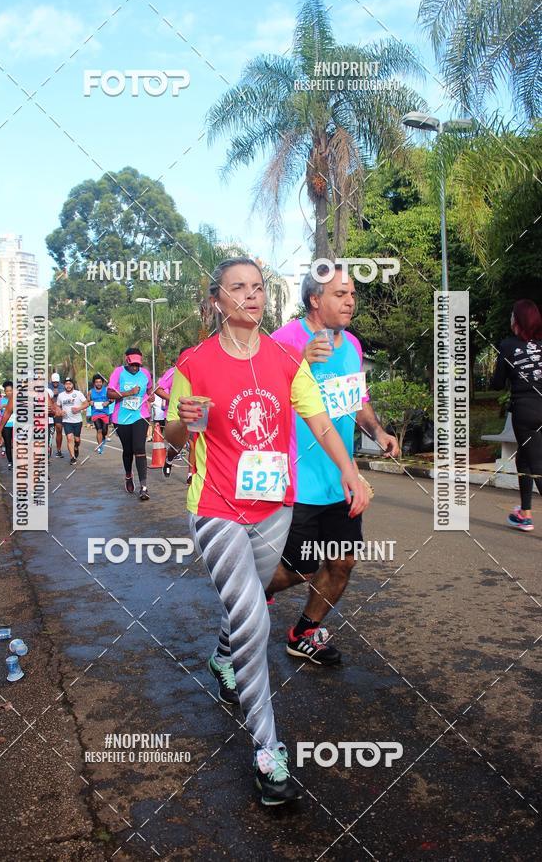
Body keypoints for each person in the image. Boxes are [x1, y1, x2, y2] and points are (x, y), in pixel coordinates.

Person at [165, 257, 369, 806]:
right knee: (254, 620)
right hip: (217, 508)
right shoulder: (195, 361)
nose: (251, 297)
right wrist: (187, 419)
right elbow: (174, 436)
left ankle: (222, 653)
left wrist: (350, 470)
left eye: (257, 288)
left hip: (274, 509)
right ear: (217, 300)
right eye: (238, 288)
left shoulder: (285, 357)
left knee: (250, 605)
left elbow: (318, 418)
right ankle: (267, 749)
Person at [268, 263, 399, 664]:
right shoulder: (283, 340)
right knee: (301, 566)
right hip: (297, 479)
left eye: (353, 294)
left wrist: (378, 433)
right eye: (340, 294)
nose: (350, 301)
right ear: (314, 300)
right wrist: (297, 362)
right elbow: (259, 393)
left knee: (342, 560)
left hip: (340, 480)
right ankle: (251, 587)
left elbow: (355, 400)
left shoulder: (353, 346)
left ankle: (304, 632)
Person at [491, 299, 542, 531]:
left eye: (512, 315)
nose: (510, 318)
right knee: (525, 458)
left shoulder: (508, 345)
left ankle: (525, 513)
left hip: (527, 413)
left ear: (518, 320)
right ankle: (525, 513)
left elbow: (497, 383)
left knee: (537, 464)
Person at [107, 348, 153, 500]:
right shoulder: (118, 372)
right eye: (133, 364)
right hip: (121, 418)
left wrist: (150, 396)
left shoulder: (145, 373)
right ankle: (128, 475)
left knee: (139, 448)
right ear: (127, 360)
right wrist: (129, 393)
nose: (135, 367)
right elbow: (110, 394)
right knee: (128, 450)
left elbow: (149, 389)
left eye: (138, 365)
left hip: (140, 415)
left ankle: (144, 487)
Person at [156, 351, 193, 480]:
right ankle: (169, 458)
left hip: (193, 413)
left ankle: (190, 474)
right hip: (174, 415)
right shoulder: (173, 372)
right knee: (177, 446)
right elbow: (158, 389)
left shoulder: (199, 370)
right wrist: (174, 399)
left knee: (193, 444)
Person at [56, 377, 88, 464]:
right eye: (66, 384)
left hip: (77, 421)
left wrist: (78, 408)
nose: (68, 386)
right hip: (66, 421)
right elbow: (57, 406)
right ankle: (72, 457)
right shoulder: (61, 395)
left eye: (70, 384)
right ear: (64, 385)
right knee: (69, 438)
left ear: (72, 385)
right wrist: (60, 411)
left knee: (77, 440)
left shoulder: (78, 393)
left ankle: (76, 447)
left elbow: (86, 404)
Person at [88, 373, 111, 453]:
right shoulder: (91, 392)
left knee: (104, 430)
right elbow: (87, 401)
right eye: (96, 382)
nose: (98, 383)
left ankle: (103, 438)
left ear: (102, 382)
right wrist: (90, 402)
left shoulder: (107, 390)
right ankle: (100, 446)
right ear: (94, 383)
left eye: (100, 382)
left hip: (105, 413)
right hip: (95, 413)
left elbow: (112, 399)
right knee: (99, 430)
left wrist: (108, 402)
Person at [0, 381, 15, 469]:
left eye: (11, 390)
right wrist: (2, 406)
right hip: (6, 426)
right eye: (7, 391)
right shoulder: (1, 400)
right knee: (7, 444)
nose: (9, 392)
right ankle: (10, 462)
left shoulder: (17, 399)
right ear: (4, 391)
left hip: (16, 425)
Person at [49, 372, 65, 457]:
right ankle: (48, 451)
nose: (55, 383)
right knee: (50, 432)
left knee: (59, 428)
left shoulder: (63, 387)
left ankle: (59, 450)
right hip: (49, 412)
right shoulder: (47, 387)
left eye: (56, 382)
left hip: (58, 411)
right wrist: (52, 393)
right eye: (54, 382)